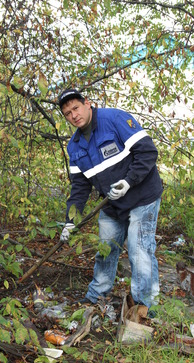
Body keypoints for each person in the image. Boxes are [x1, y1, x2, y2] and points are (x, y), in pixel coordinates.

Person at [59, 88, 163, 310]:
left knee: (140, 251)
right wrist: (70, 220)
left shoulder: (114, 119)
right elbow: (79, 187)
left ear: (87, 103)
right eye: (67, 113)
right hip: (112, 205)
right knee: (105, 250)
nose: (73, 115)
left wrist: (128, 181)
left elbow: (147, 152)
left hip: (142, 196)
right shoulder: (74, 146)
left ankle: (145, 308)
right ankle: (96, 297)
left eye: (76, 108)